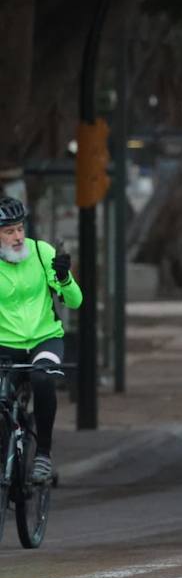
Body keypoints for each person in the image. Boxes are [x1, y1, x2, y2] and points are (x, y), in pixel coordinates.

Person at [0, 197, 81, 485]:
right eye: (9, 231)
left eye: (20, 228)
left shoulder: (40, 251)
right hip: (5, 345)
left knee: (42, 378)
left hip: (45, 339)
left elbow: (75, 301)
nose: (18, 237)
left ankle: (43, 455)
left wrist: (64, 278)